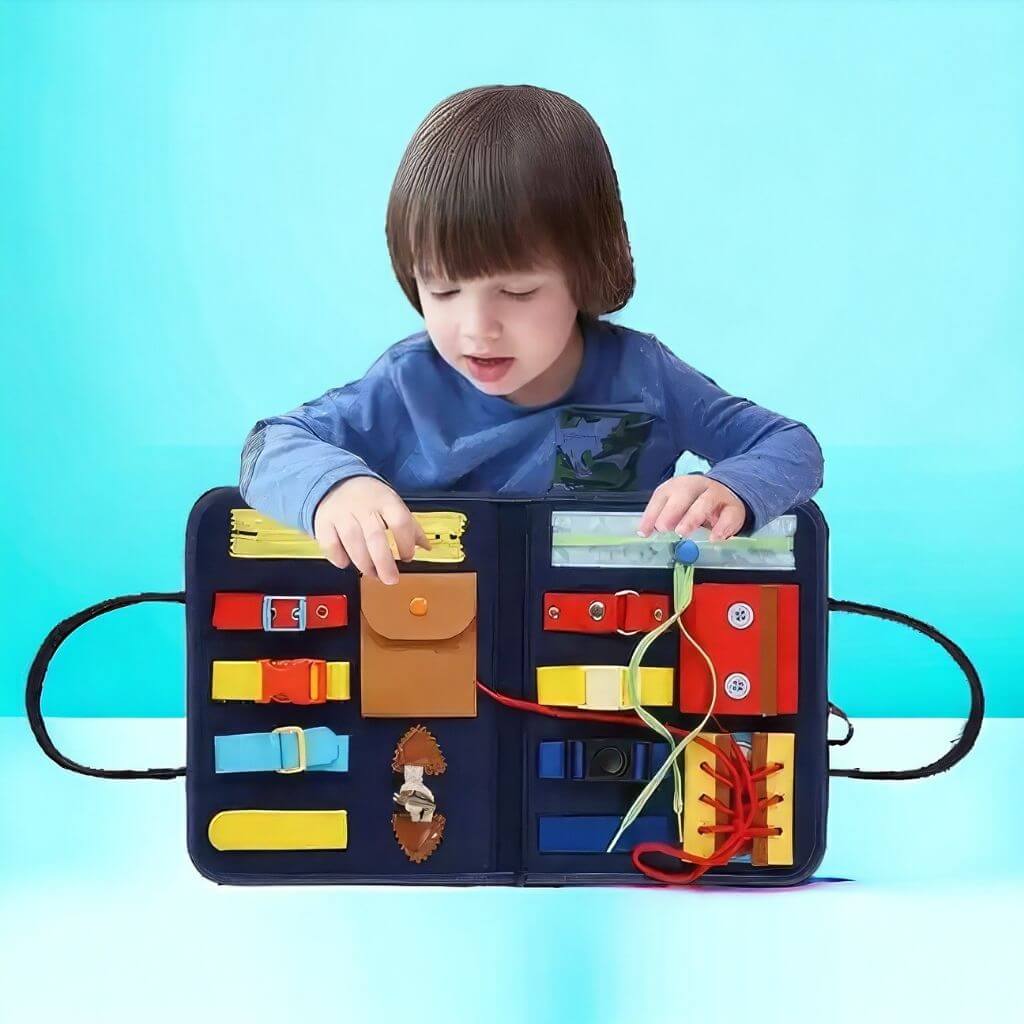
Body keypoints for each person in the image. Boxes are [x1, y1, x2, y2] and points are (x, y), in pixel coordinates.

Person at [239, 84, 824, 586]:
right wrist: (335, 488)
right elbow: (270, 446)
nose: (476, 329)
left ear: (586, 272)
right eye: (442, 292)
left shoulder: (643, 375)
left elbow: (792, 445)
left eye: (517, 294)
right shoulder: (405, 383)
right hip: (430, 649)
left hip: (603, 656)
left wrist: (733, 487)